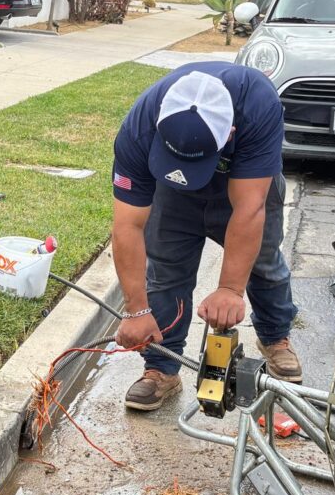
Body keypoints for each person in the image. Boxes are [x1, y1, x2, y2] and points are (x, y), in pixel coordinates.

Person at [111, 61, 301, 412]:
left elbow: (249, 208)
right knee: (166, 269)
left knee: (263, 261)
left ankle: (275, 338)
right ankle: (162, 368)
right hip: (172, 194)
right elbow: (127, 226)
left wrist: (230, 289)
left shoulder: (257, 105)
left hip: (246, 181)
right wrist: (136, 310)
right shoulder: (139, 128)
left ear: (230, 133)